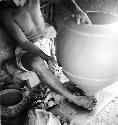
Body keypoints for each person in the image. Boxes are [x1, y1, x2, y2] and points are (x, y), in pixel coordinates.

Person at [0, 0, 96, 110]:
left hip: (46, 40)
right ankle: (74, 98)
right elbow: (24, 42)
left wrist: (77, 10)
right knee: (36, 63)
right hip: (27, 50)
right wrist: (46, 57)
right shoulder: (6, 13)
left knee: (71, 46)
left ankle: (82, 83)